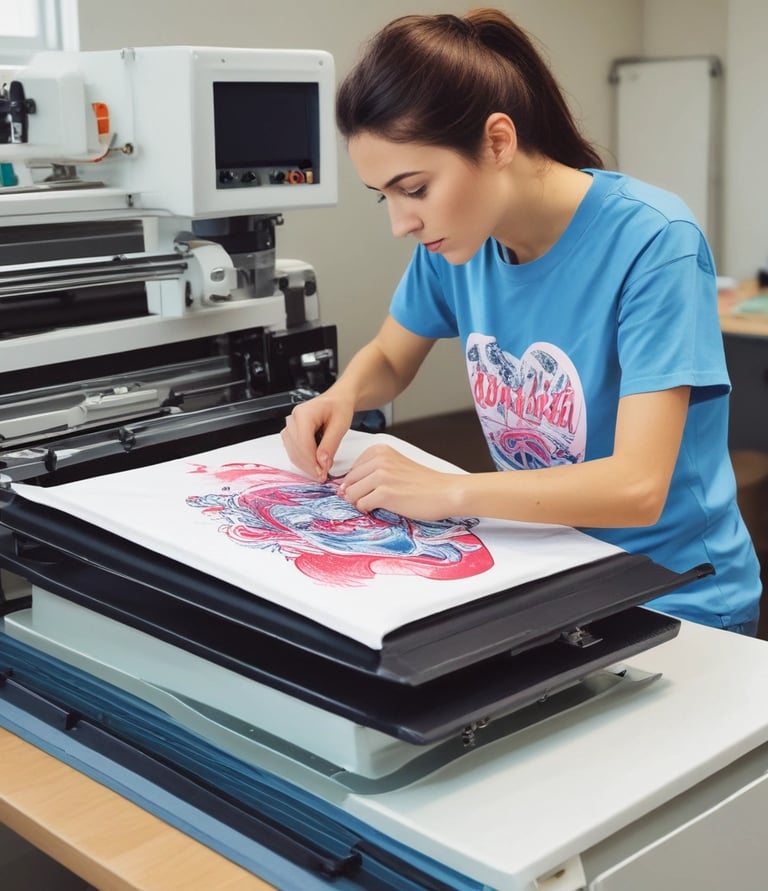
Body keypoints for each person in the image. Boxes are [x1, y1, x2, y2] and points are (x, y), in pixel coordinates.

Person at [281, 8, 761, 634]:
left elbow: (638, 488)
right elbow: (392, 358)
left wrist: (448, 492)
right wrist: (340, 397)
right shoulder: (458, 244)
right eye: (386, 196)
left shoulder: (652, 239)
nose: (401, 223)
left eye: (415, 188)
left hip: (673, 596)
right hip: (549, 578)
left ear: (498, 141)